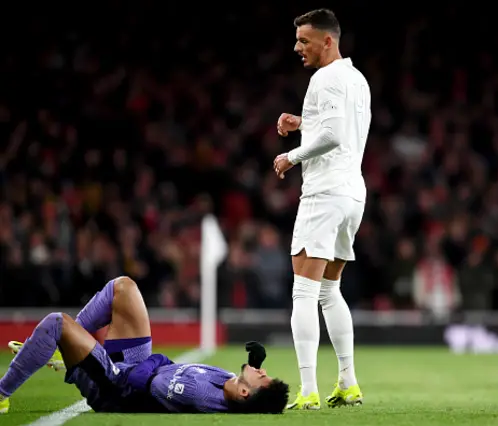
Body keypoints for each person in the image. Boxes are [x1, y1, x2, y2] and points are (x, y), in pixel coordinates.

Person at [0, 276, 289, 414]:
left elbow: (146, 381)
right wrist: (256, 366)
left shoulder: (196, 393)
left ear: (243, 392)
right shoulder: (232, 389)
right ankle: (67, 346)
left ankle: (2, 393)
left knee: (56, 323)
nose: (263, 372)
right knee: (124, 287)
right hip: (135, 371)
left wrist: (160, 359)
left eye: (262, 378)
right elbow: (249, 392)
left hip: (115, 386)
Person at [273, 8, 369, 410]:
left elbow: (333, 134)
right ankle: (348, 382)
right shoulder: (356, 78)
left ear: (328, 41)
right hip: (352, 194)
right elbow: (340, 129)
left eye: (304, 41)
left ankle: (308, 389)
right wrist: (304, 123)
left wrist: (292, 156)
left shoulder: (324, 78)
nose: (298, 47)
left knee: (304, 291)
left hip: (324, 194)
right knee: (330, 290)